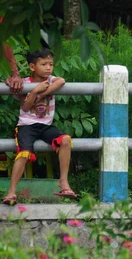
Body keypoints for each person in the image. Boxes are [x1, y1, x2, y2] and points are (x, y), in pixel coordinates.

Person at [2, 49, 74, 205]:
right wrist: (34, 91)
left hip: (45, 126)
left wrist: (42, 93)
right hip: (26, 126)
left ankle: (63, 182)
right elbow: (26, 106)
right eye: (44, 64)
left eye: (51, 64)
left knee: (66, 140)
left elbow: (61, 81)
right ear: (32, 67)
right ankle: (11, 191)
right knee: (24, 153)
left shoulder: (51, 80)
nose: (48, 68)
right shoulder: (25, 83)